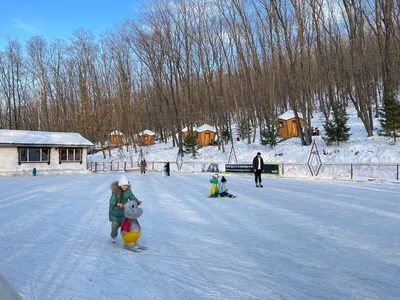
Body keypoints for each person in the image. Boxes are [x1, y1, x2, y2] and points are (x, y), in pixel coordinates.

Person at [109, 175, 142, 243]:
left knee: (127, 224)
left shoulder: (128, 191)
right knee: (115, 225)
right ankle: (113, 236)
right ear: (120, 185)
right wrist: (117, 204)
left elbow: (132, 197)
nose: (125, 187)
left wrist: (137, 202)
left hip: (124, 211)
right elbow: (112, 201)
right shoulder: (115, 192)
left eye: (126, 185)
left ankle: (130, 238)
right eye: (123, 185)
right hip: (116, 212)